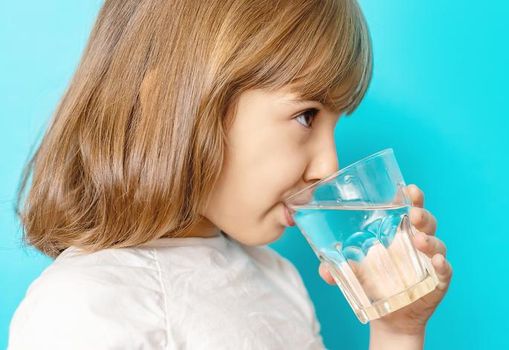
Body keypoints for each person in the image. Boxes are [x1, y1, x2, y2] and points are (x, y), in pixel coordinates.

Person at [7, 0, 453, 348]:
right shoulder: (81, 308)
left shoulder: (279, 282)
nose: (329, 167)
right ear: (168, 106)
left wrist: (397, 330)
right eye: (305, 116)